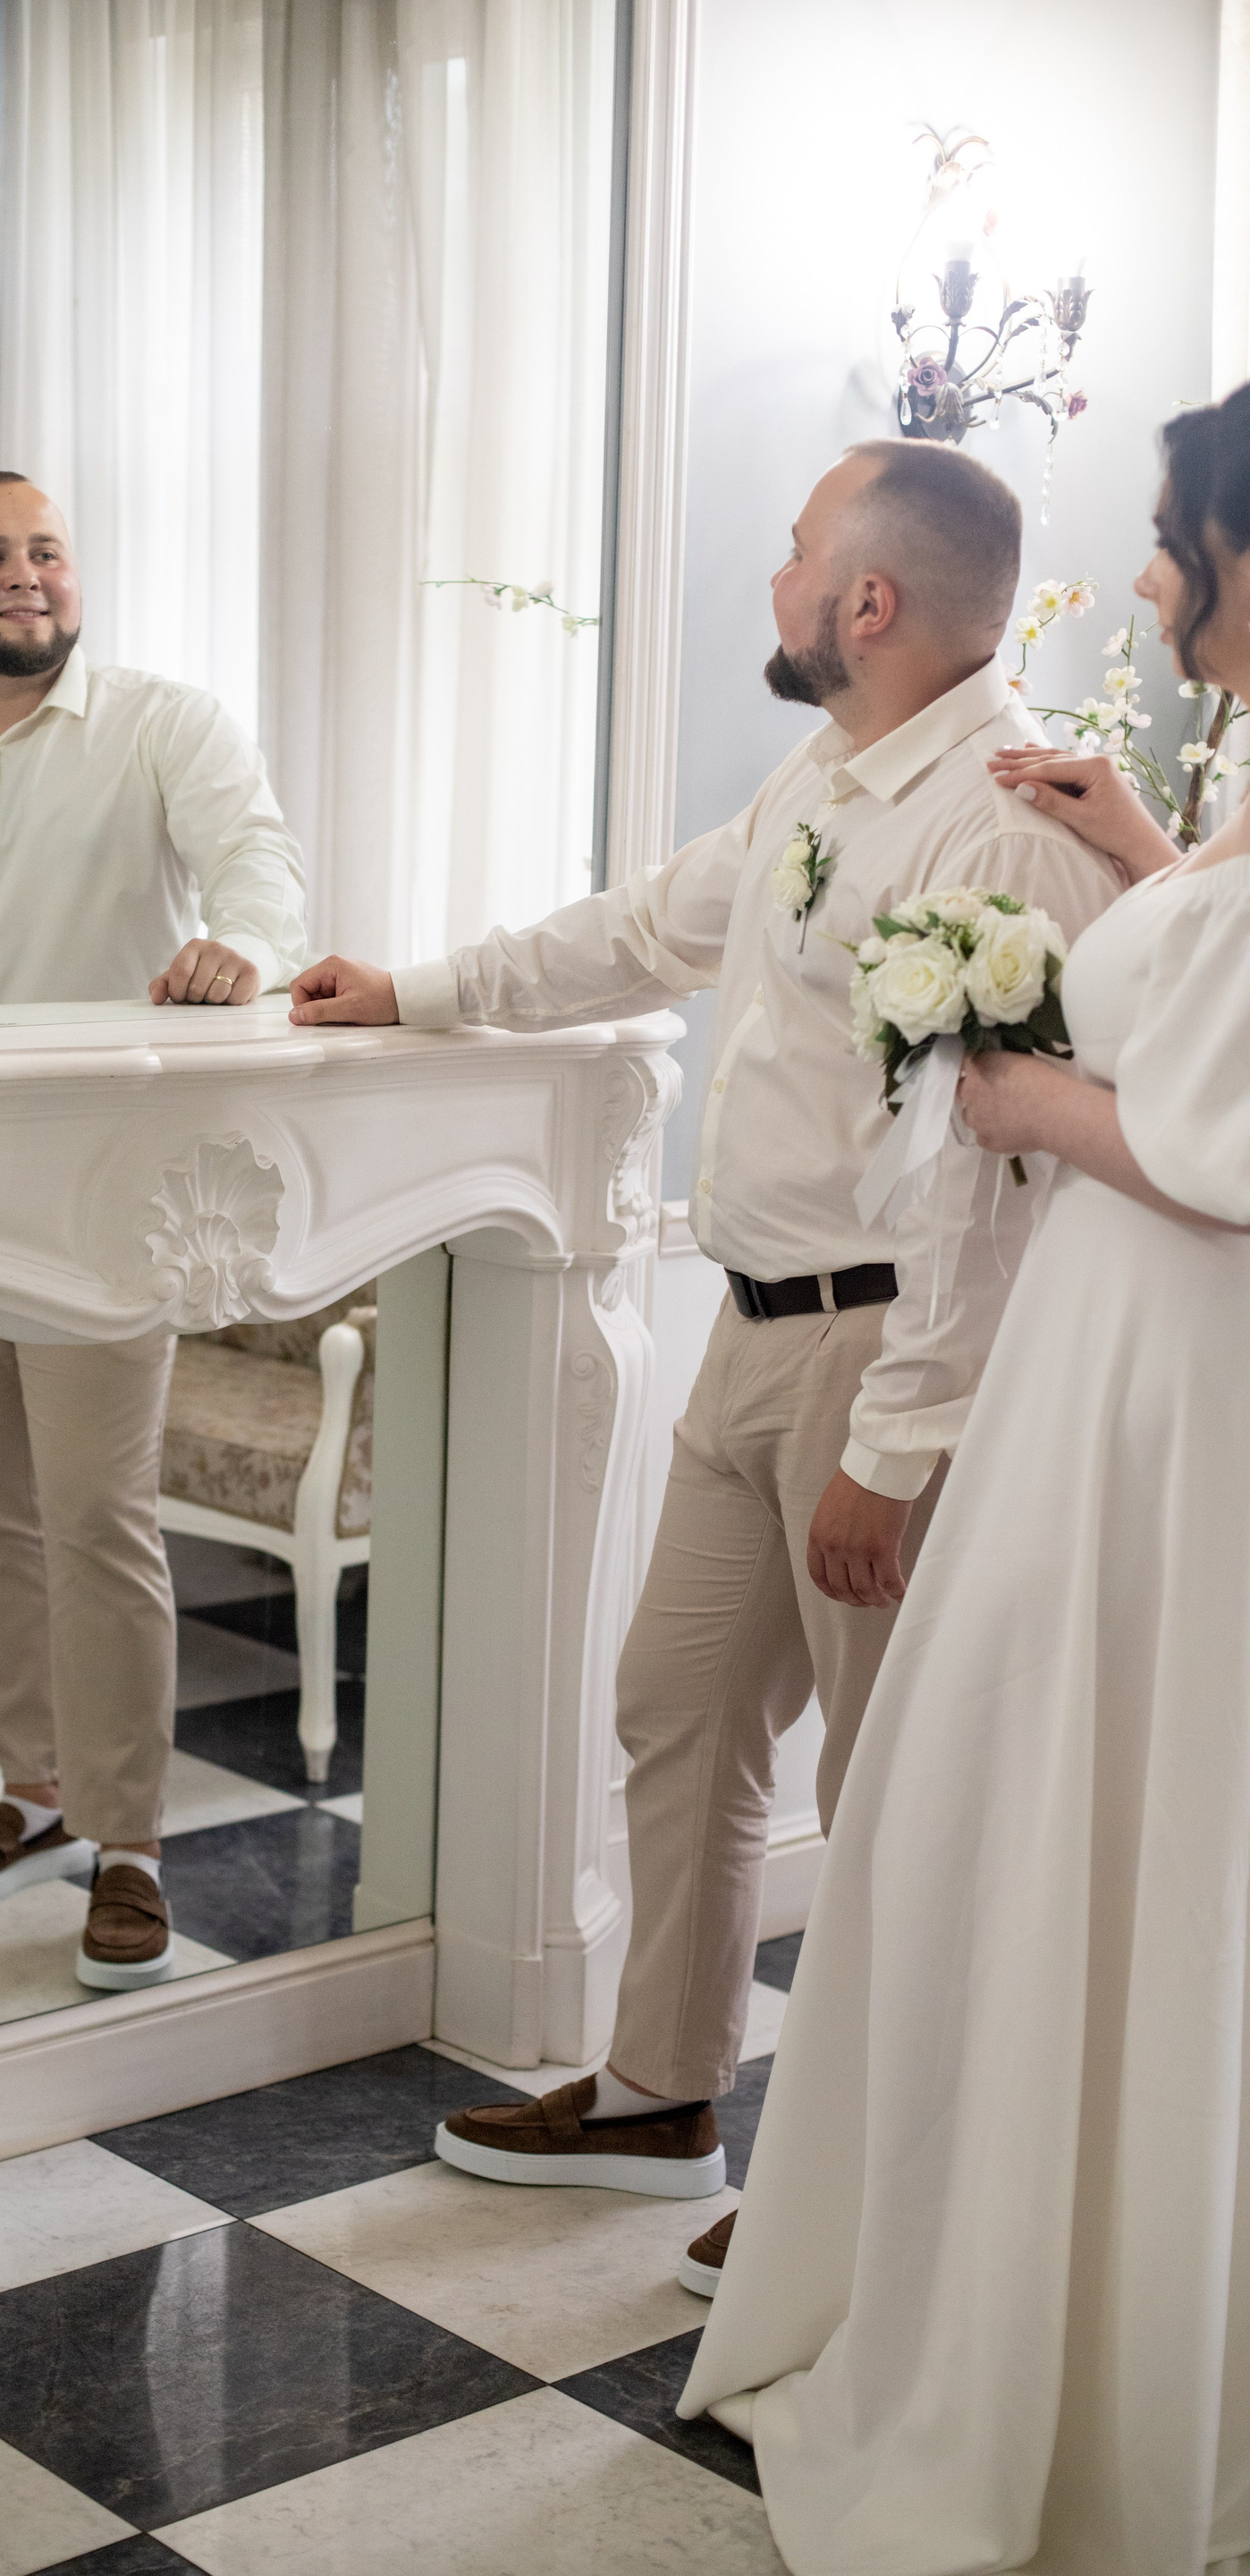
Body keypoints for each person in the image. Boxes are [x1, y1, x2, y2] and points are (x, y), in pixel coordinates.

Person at [290, 441, 1121, 2222]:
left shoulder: (1010, 822)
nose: (779, 576)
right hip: (748, 1337)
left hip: (885, 1363)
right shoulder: (821, 776)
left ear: (868, 602)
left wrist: (897, 1446)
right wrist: (414, 990)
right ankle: (665, 2097)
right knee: (675, 1709)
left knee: (898, 1795)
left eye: (800, 552)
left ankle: (877, 2216)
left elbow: (998, 1186)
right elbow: (642, 931)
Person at [680, 390, 1250, 2576]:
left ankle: (1057, 2322)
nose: (1156, 573)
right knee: (1046, 1819)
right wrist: (1157, 858)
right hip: (1119, 1364)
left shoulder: (992, 816)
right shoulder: (1169, 795)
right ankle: (1008, 2244)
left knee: (1064, 1807)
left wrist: (1030, 1106)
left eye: (1176, 537)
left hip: (1165, 1375)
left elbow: (1221, 1141)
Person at [0, 468, 308, 1990]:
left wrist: (243, 949)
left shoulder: (164, 726)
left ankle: (130, 1842)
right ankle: (30, 1791)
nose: (25, 573)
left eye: (46, 550)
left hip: (101, 1196)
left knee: (100, 1520)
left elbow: (261, 869)